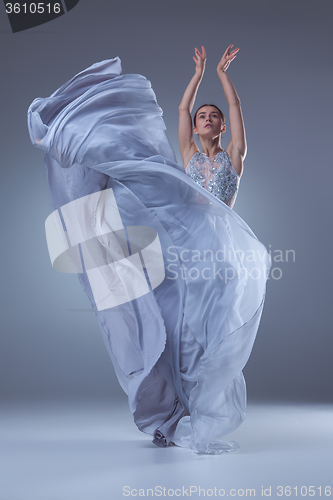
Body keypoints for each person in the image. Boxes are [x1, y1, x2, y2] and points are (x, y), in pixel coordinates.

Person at [27, 46, 271, 455]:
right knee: (179, 317)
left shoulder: (234, 156)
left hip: (221, 242)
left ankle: (202, 399)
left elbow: (235, 103)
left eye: (213, 116)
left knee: (213, 321)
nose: (205, 119)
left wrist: (223, 75)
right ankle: (179, 404)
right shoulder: (190, 154)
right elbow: (180, 111)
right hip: (186, 236)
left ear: (224, 126)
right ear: (194, 129)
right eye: (200, 118)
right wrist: (197, 75)